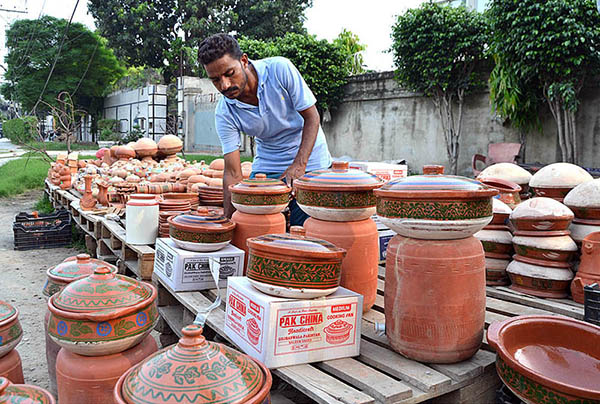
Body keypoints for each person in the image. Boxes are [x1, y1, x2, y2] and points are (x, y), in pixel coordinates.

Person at [198, 33, 332, 225]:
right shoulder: (224, 112)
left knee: (303, 227)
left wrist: (299, 165)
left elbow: (312, 117)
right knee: (251, 217)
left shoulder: (279, 69)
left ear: (243, 61)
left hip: (310, 159)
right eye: (215, 80)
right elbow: (233, 173)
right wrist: (228, 222)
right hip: (268, 164)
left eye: (229, 74)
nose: (225, 85)